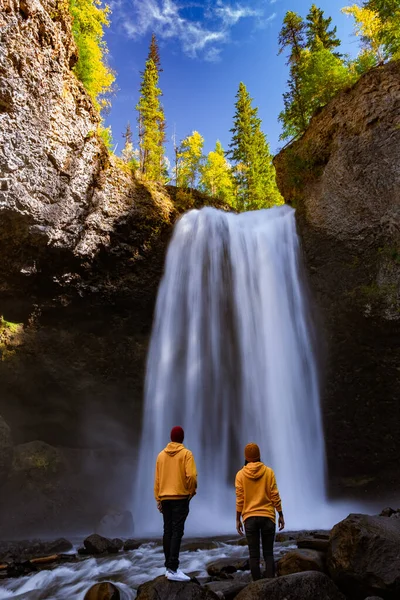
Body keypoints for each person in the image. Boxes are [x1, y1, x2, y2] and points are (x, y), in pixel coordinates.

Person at [235, 443, 284, 581]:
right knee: (269, 554)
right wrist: (280, 514)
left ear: (246, 457)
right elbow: (275, 495)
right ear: (259, 456)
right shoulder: (269, 472)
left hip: (249, 518)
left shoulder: (240, 475)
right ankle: (270, 585)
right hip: (268, 517)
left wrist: (238, 519)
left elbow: (240, 499)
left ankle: (257, 586)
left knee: (254, 555)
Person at [154, 426, 197, 582]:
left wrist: (158, 499)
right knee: (177, 532)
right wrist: (190, 491)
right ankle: (173, 568)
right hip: (180, 497)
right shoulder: (186, 454)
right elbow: (191, 476)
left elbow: (157, 480)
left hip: (165, 497)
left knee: (168, 531)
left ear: (171, 438)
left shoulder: (160, 456)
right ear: (182, 438)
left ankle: (168, 567)